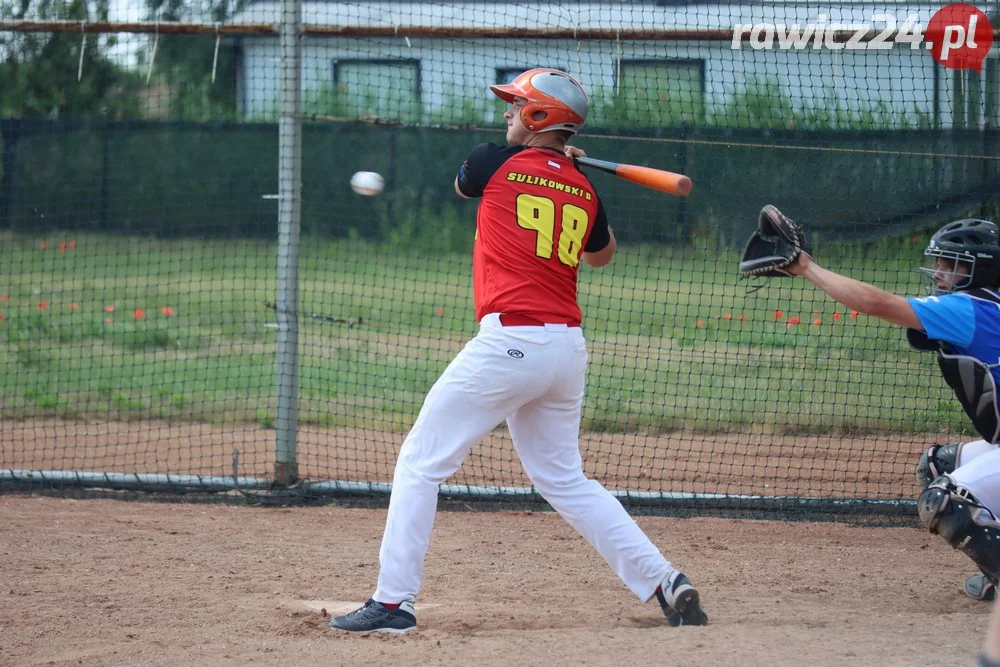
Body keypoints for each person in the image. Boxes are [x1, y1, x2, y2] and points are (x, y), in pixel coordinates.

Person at [329, 68, 708, 633]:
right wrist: (566, 173)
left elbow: (463, 187)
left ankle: (391, 603)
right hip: (566, 350)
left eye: (516, 107)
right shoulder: (584, 185)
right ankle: (662, 579)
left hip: (510, 342)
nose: (506, 115)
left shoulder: (490, 160)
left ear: (539, 118)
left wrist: (549, 168)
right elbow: (600, 256)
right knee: (565, 479)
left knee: (419, 462)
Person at [786, 216, 1000, 602]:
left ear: (979, 269)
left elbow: (874, 303)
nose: (939, 272)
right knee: (939, 464)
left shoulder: (968, 310)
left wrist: (806, 266)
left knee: (945, 502)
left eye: (951, 264)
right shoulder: (983, 308)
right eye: (940, 262)